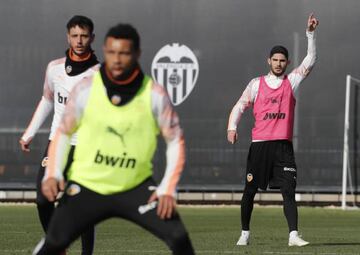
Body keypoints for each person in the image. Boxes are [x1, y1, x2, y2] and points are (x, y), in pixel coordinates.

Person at [32, 23, 195, 255]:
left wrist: (168, 189)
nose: (116, 59)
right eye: (111, 52)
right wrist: (53, 173)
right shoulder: (85, 90)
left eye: (124, 53)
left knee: (179, 237)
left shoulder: (154, 95)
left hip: (135, 188)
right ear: (104, 51)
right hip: (87, 186)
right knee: (53, 244)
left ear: (137, 54)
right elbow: (63, 133)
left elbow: (175, 142)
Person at [227, 14, 319, 247]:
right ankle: (245, 234)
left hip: (283, 147)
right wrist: (232, 127)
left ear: (287, 63)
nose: (278, 63)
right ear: (269, 61)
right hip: (260, 146)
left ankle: (293, 235)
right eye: (275, 60)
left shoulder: (292, 82)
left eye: (282, 60)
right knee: (249, 191)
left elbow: (310, 59)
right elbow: (240, 105)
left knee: (288, 190)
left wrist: (310, 33)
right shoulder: (256, 84)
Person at [20, 15, 99, 255]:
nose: (79, 40)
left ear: (92, 38)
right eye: (75, 35)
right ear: (68, 37)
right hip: (58, 143)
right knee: (44, 200)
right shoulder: (54, 68)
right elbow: (47, 99)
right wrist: (29, 133)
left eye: (84, 35)